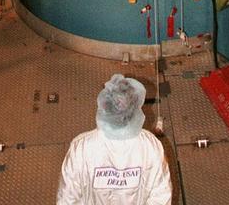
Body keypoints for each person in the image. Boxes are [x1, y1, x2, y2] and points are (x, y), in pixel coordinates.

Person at [57, 74, 172, 205]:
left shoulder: (81, 148)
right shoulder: (150, 146)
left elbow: (67, 198)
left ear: (103, 106)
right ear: (136, 107)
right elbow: (161, 196)